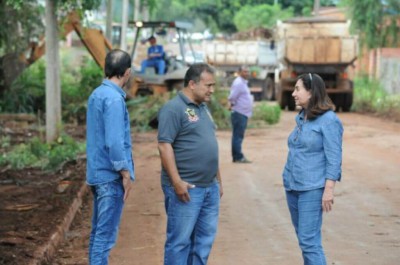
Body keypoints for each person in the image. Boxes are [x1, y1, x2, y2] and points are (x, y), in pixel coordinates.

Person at [157, 63, 223, 265]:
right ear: (192, 84)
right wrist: (177, 182)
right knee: (179, 242)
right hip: (187, 188)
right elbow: (164, 146)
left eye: (213, 85)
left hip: (209, 188)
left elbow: (210, 143)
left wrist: (218, 180)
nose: (212, 90)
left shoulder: (203, 108)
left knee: (203, 243)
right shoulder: (173, 109)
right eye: (208, 85)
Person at [282, 73, 343, 265]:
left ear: (311, 91)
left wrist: (329, 190)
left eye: (298, 89)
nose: (293, 93)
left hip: (311, 189)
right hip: (292, 186)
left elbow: (334, 158)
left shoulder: (329, 120)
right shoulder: (302, 117)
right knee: (304, 239)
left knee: (309, 242)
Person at [86, 49, 135, 265]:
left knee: (97, 235)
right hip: (110, 177)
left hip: (96, 174)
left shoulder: (97, 94)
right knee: (104, 239)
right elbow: (114, 142)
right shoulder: (114, 99)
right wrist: (125, 172)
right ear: (127, 72)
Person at [228, 65, 253, 163]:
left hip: (242, 113)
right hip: (239, 113)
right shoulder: (238, 83)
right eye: (245, 71)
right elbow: (232, 97)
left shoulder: (243, 83)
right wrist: (232, 105)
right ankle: (238, 157)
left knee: (238, 135)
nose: (247, 73)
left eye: (248, 71)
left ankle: (236, 156)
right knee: (238, 136)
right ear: (239, 72)